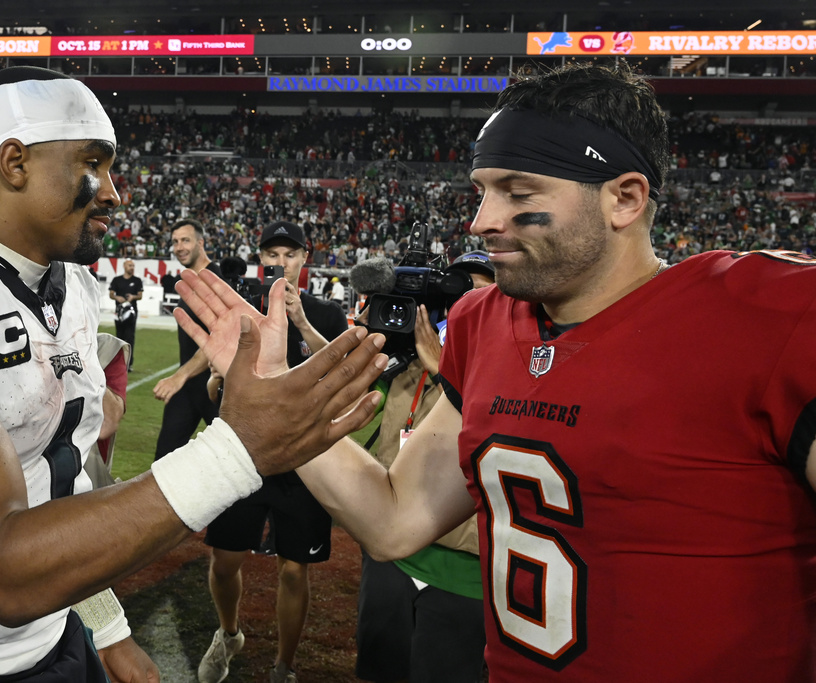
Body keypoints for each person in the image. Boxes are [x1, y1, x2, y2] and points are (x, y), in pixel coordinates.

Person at [176, 62, 816, 682]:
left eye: (519, 192)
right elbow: (395, 517)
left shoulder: (767, 316)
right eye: (483, 190)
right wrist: (275, 390)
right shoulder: (486, 320)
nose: (482, 220)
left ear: (624, 198)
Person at [0, 66, 387, 683]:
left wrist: (106, 629)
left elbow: (62, 479)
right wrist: (236, 452)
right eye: (95, 163)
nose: (114, 193)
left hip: (52, 638)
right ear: (15, 162)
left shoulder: (70, 287)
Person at [198, 221, 348, 683]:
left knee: (293, 569)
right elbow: (212, 388)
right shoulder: (244, 313)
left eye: (289, 253)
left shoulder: (325, 312)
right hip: (247, 451)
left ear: (305, 259)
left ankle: (284, 664)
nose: (279, 262)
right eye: (271, 254)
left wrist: (300, 321)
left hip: (304, 457)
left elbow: (342, 370)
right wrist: (222, 378)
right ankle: (229, 633)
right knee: (223, 560)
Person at [355, 252, 495, 683]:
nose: (462, 309)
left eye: (479, 295)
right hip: (389, 557)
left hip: (466, 576)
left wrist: (446, 371)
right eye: (455, 297)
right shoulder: (408, 363)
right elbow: (344, 388)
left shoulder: (512, 367)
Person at [152, 219, 224, 461]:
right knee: (163, 460)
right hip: (189, 386)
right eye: (175, 242)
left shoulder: (216, 281)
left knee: (235, 458)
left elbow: (217, 341)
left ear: (201, 243)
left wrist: (179, 375)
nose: (179, 247)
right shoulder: (189, 281)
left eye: (185, 240)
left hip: (216, 386)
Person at [108, 258, 143, 369]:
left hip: (131, 312)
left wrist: (133, 297)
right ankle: (118, 363)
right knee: (119, 337)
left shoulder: (137, 280)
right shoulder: (117, 280)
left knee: (130, 337)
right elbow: (111, 294)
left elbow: (140, 295)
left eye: (133, 266)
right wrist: (117, 297)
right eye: (129, 265)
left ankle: (129, 363)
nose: (132, 268)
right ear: (124, 266)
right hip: (119, 312)